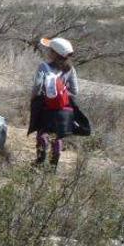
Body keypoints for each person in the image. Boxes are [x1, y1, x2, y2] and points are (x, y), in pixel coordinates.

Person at [29, 37, 78, 170]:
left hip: (45, 106)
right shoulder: (70, 69)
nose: (48, 51)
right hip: (62, 108)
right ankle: (53, 166)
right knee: (58, 136)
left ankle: (40, 160)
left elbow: (37, 87)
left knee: (42, 132)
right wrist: (61, 94)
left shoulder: (43, 66)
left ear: (54, 53)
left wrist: (33, 99)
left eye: (50, 49)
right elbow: (75, 91)